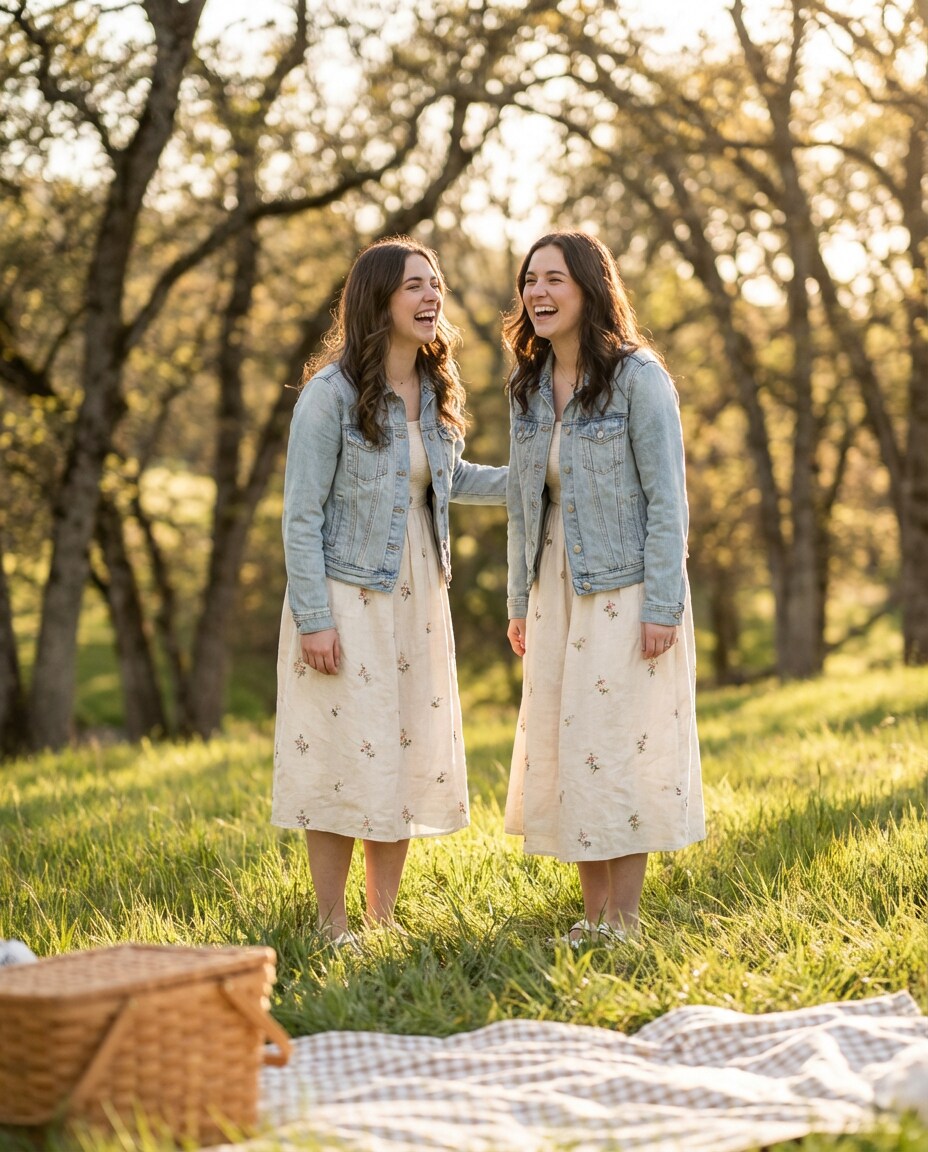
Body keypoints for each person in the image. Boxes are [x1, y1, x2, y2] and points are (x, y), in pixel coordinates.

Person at [273, 236, 507, 949]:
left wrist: (534, 481)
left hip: (418, 595)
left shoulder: (433, 390)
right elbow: (300, 514)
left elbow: (448, 479)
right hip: (347, 598)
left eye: (435, 284)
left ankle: (381, 922)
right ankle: (331, 925)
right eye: (415, 286)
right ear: (379, 300)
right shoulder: (330, 395)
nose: (432, 296)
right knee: (343, 755)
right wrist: (314, 618)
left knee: (400, 749)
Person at [503, 230, 705, 945]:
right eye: (530, 281)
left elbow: (668, 500)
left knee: (618, 746)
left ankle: (624, 918)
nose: (538, 292)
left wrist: (662, 605)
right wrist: (518, 600)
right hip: (554, 588)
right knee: (571, 747)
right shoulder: (528, 389)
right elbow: (525, 504)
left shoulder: (638, 377)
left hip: (625, 588)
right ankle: (594, 921)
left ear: (590, 288)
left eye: (554, 279)